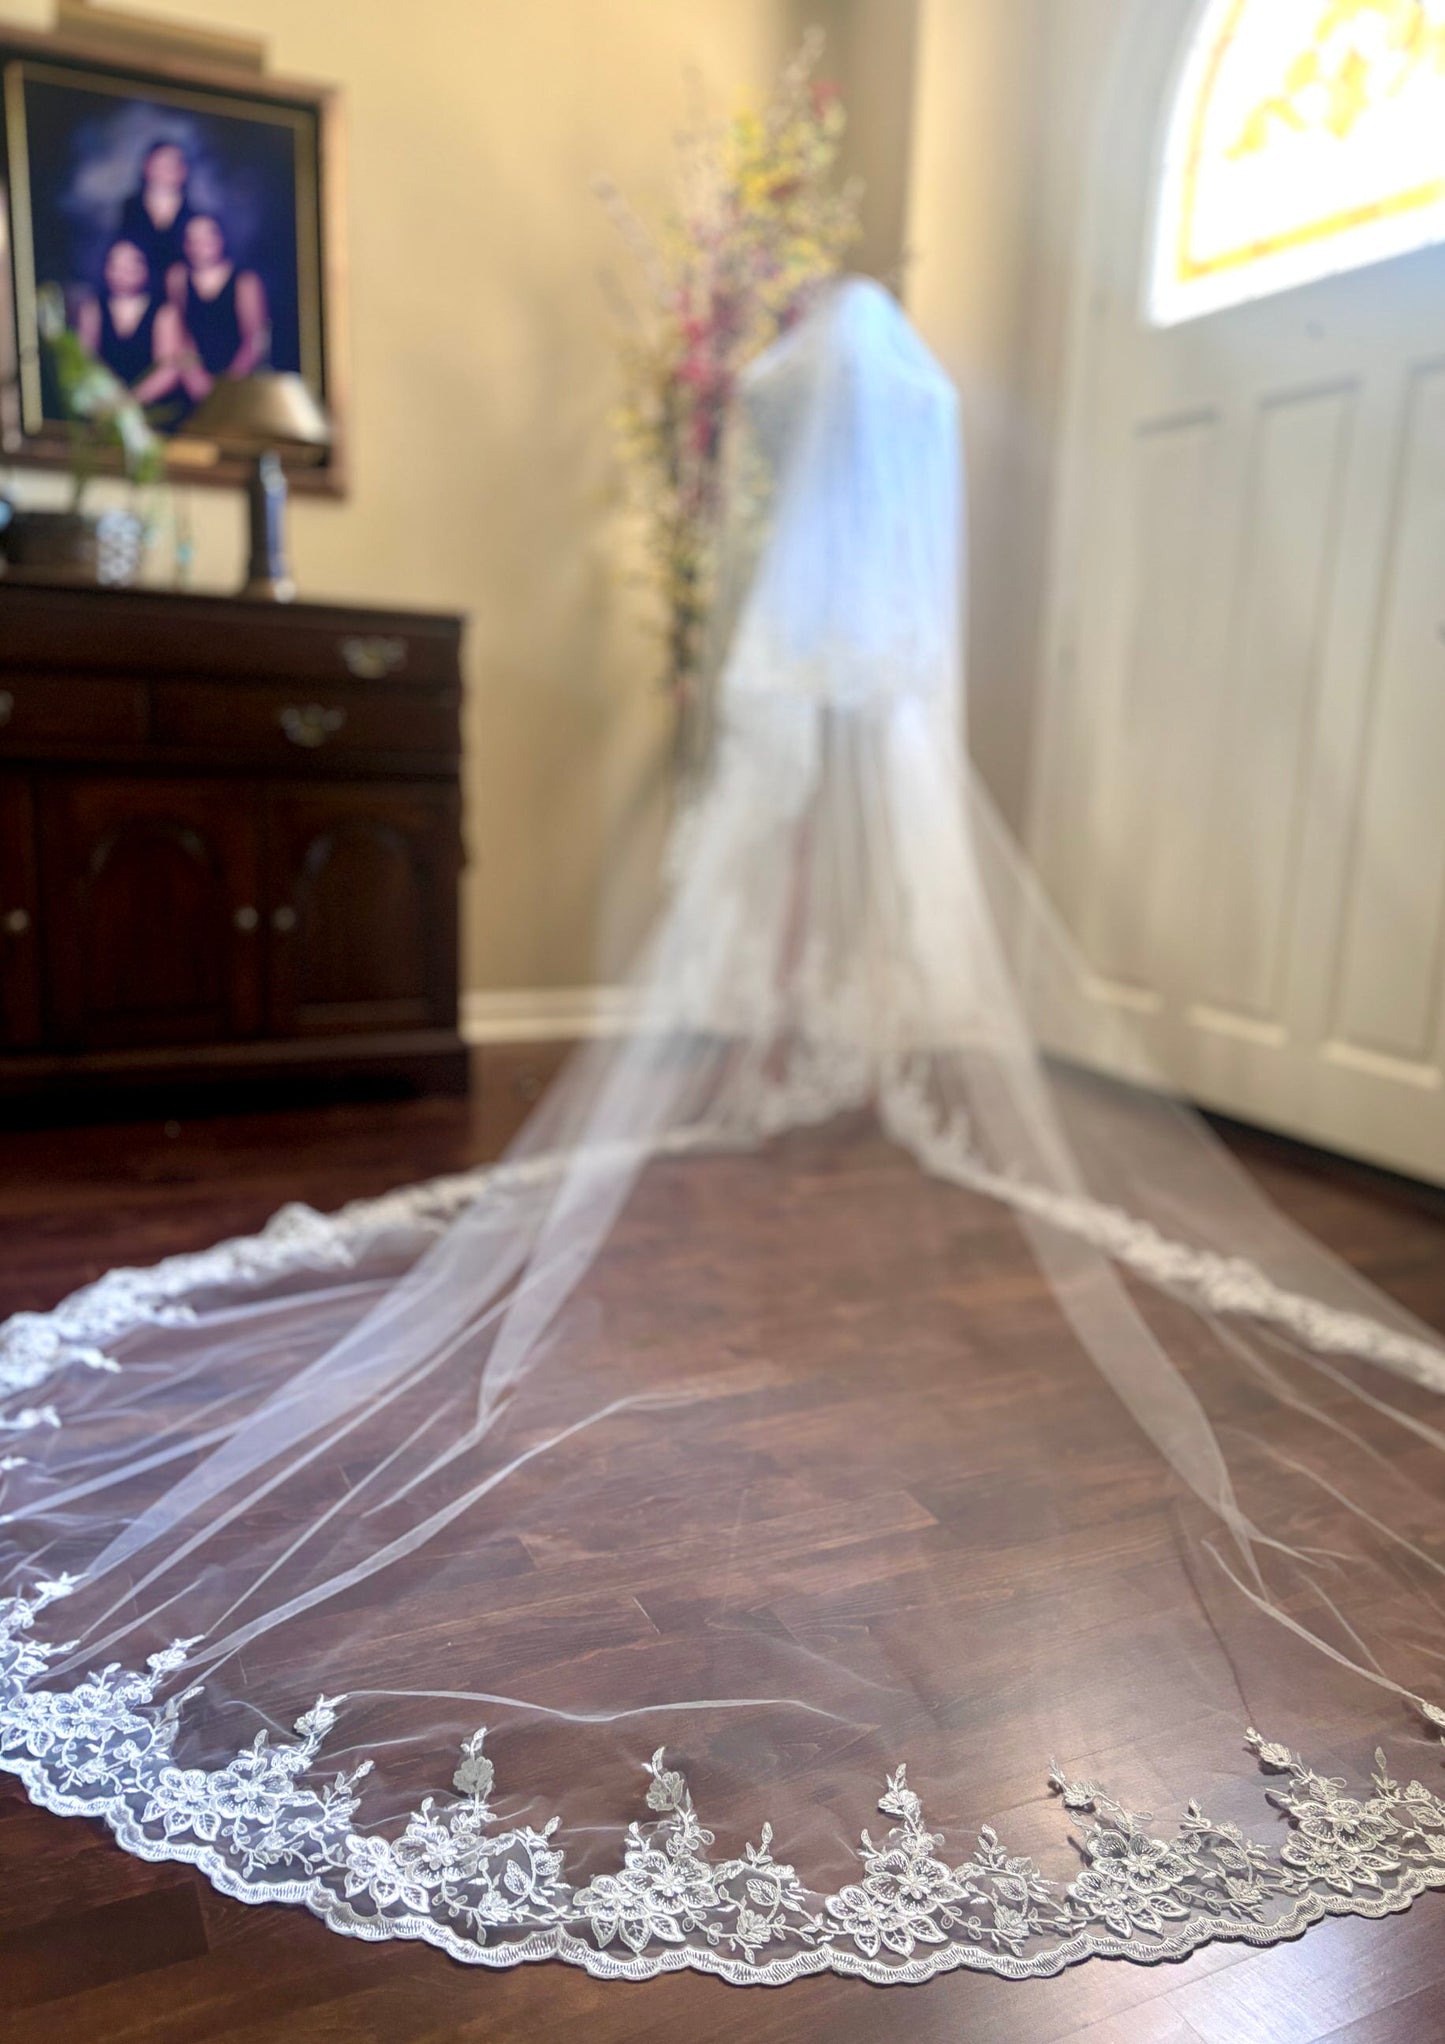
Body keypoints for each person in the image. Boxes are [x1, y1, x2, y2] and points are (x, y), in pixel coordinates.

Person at [1, 279, 1443, 1993]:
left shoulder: (843, 370)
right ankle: (809, 1053)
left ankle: (816, 1052)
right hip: (856, 659)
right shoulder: (883, 375)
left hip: (829, 658)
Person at [169, 213, 270, 396]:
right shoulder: (177, 278)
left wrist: (227, 385)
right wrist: (195, 378)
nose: (202, 243)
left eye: (209, 235)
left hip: (239, 378)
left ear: (221, 237)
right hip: (193, 378)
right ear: (185, 244)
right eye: (194, 238)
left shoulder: (245, 281)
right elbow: (180, 334)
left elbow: (255, 340)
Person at [75, 238, 183, 405]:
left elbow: (168, 370)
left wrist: (129, 402)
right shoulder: (92, 310)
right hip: (104, 405)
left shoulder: (165, 313)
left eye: (132, 263)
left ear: (146, 267)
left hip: (153, 407)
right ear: (106, 268)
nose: (124, 271)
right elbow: (85, 362)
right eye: (117, 264)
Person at [116, 140, 194, 282]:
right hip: (135, 290)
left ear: (184, 171)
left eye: (174, 164)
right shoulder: (130, 208)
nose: (168, 169)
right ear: (146, 167)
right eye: (162, 164)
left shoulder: (195, 216)